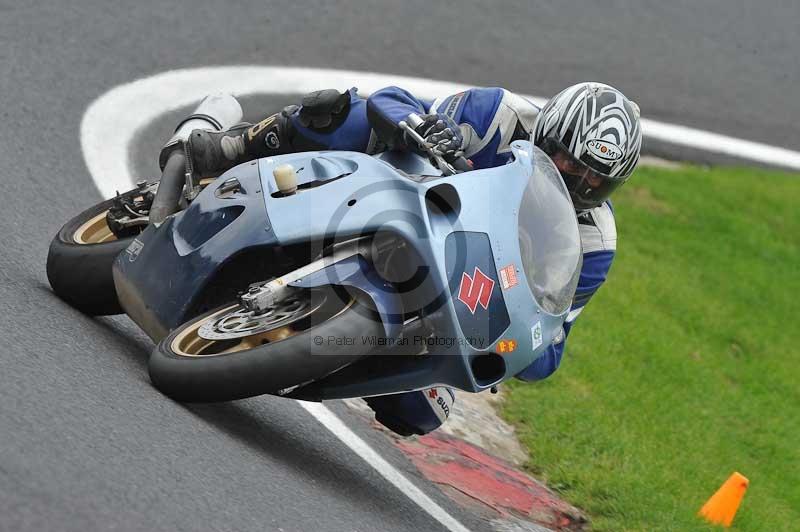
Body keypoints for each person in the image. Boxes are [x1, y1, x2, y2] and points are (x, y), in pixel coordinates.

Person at [180, 82, 642, 436]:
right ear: (547, 131)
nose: (577, 181)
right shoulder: (498, 114)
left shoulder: (594, 242)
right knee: (340, 112)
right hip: (394, 194)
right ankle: (231, 150)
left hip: (448, 291)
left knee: (421, 411)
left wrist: (516, 344)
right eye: (565, 161)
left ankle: (318, 357)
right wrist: (420, 126)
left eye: (595, 179)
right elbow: (394, 100)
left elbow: (551, 342)